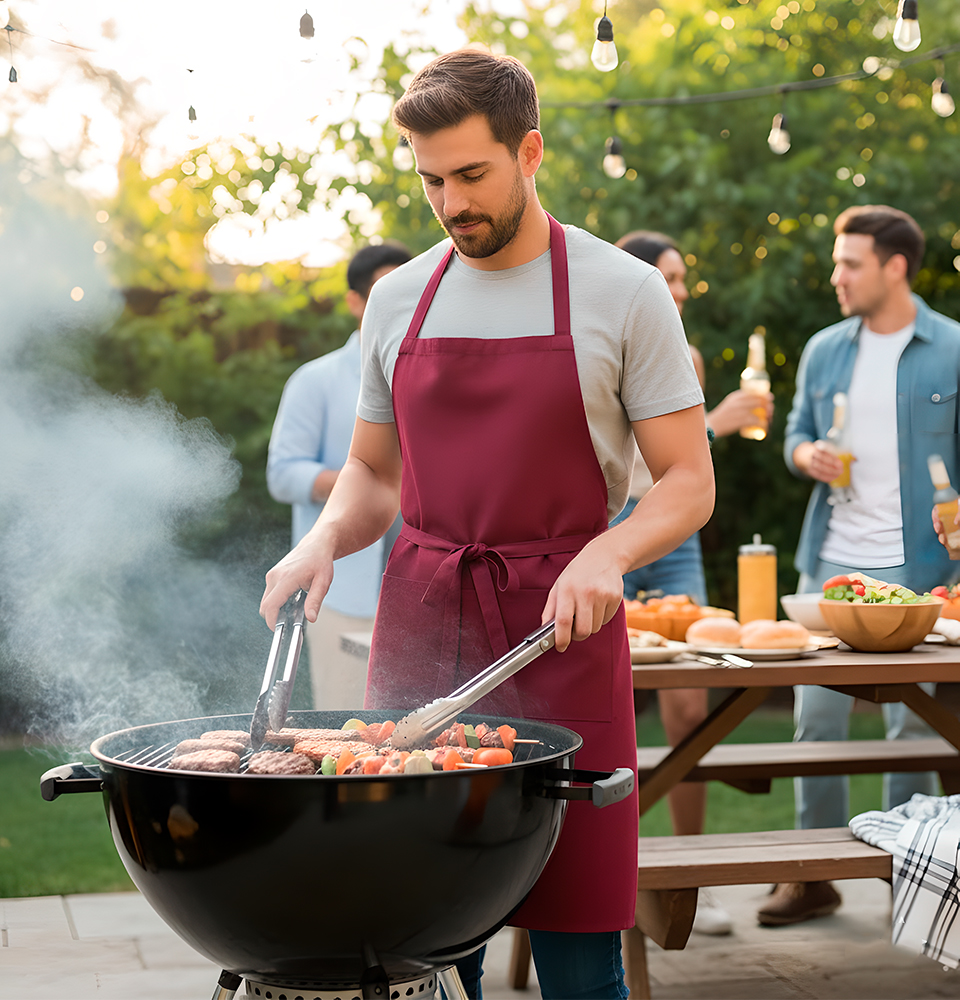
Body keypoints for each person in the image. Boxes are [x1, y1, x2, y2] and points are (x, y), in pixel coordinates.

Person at [260, 49, 714, 1000]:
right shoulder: (399, 297)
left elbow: (687, 480)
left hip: (563, 628)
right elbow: (372, 473)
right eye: (431, 180)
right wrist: (322, 539)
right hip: (422, 626)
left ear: (530, 152)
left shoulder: (623, 292)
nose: (451, 203)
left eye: (471, 174)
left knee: (578, 942)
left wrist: (610, 551)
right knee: (420, 931)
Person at [767, 204, 960, 927]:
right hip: (832, 562)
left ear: (895, 267)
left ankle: (904, 876)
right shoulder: (824, 350)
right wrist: (803, 454)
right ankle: (812, 875)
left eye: (850, 263)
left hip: (920, 567)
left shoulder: (953, 348)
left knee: (912, 728)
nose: (837, 276)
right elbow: (795, 433)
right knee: (815, 720)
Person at [613, 231, 774, 937]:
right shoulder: (604, 341)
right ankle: (609, 868)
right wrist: (716, 422)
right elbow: (622, 456)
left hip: (673, 543)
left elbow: (681, 464)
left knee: (689, 706)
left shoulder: (692, 357)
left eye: (681, 279)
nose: (680, 291)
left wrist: (714, 427)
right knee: (610, 702)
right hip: (614, 534)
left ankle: (690, 880)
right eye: (669, 278)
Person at [266, 242, 411, 709]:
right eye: (383, 293)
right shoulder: (316, 380)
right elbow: (283, 475)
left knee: (415, 731)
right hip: (341, 592)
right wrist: (374, 481)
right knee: (345, 725)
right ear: (354, 301)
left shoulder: (429, 376)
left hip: (419, 594)